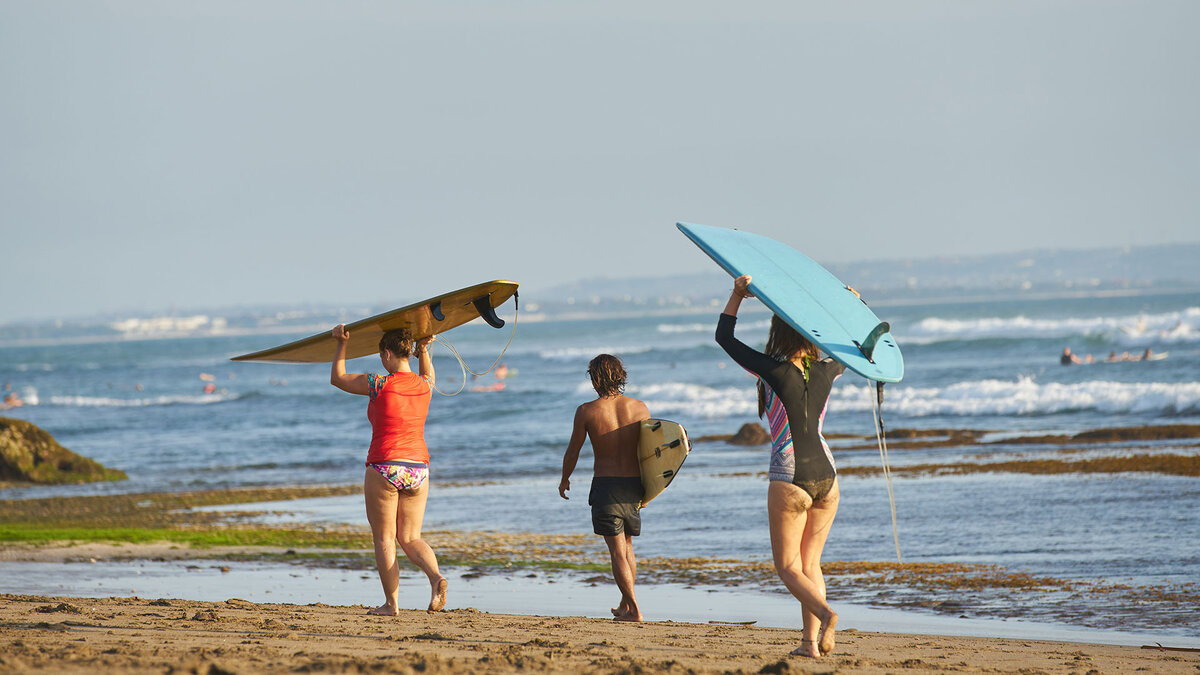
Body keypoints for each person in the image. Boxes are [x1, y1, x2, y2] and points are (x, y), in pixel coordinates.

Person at [715, 274, 842, 658]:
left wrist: (737, 295)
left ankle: (826, 614)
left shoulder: (772, 369)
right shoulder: (829, 370)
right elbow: (857, 346)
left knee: (788, 567)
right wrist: (849, 306)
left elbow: (725, 338)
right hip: (829, 476)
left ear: (778, 334)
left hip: (790, 475)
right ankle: (809, 644)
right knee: (810, 563)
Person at [330, 324, 448, 616]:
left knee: (384, 538)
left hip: (385, 465)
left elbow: (338, 379)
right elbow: (428, 374)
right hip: (419, 468)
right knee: (410, 537)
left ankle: (391, 605)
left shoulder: (378, 383)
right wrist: (425, 349)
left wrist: (341, 343)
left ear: (386, 354)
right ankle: (436, 578)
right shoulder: (424, 386)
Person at [558, 354, 651, 622]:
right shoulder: (640, 408)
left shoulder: (587, 411)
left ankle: (633, 609)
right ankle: (625, 604)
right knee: (628, 547)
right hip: (635, 486)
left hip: (606, 487)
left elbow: (573, 451)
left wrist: (565, 479)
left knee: (616, 551)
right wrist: (651, 490)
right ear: (620, 375)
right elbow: (652, 453)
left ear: (595, 379)